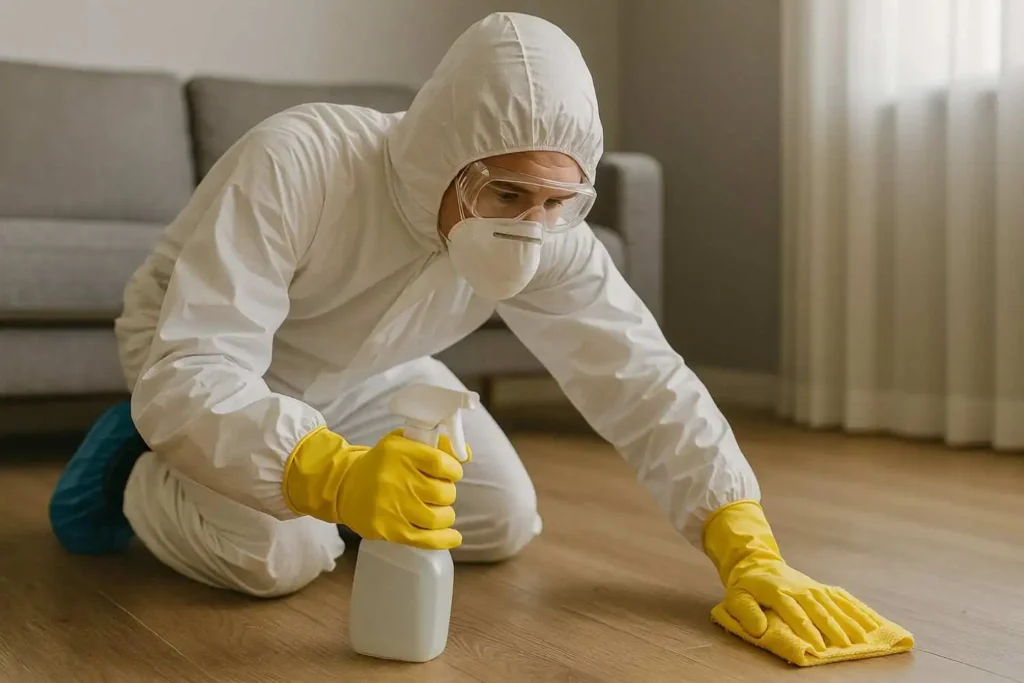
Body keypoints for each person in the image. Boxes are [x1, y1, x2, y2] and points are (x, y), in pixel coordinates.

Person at [48, 12, 912, 666]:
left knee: (500, 518)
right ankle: (143, 462)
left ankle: (280, 478)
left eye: (556, 201)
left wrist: (745, 543)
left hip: (370, 371)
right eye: (506, 195)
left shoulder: (548, 231)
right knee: (279, 553)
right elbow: (197, 361)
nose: (531, 228)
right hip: (210, 365)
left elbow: (640, 376)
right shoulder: (299, 161)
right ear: (440, 157)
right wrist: (331, 476)